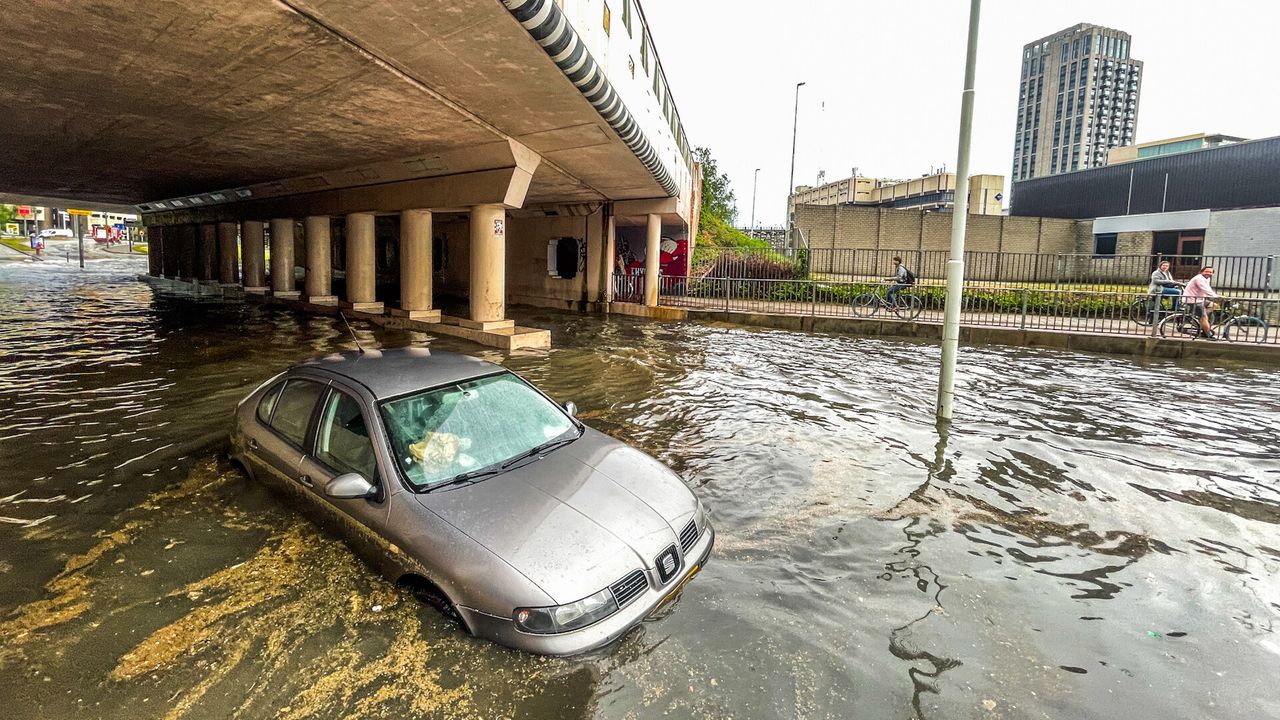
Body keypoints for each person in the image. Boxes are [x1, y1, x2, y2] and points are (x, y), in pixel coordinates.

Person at [1182, 266, 1220, 339]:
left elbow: (1207, 288)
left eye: (1210, 272)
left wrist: (1213, 295)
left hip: (1199, 299)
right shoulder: (1198, 278)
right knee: (1204, 317)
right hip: (1192, 300)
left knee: (1213, 305)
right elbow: (1205, 288)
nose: (1208, 273)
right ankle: (1208, 335)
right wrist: (1216, 296)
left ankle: (1202, 324)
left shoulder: (1207, 278)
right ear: (1202, 272)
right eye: (1206, 271)